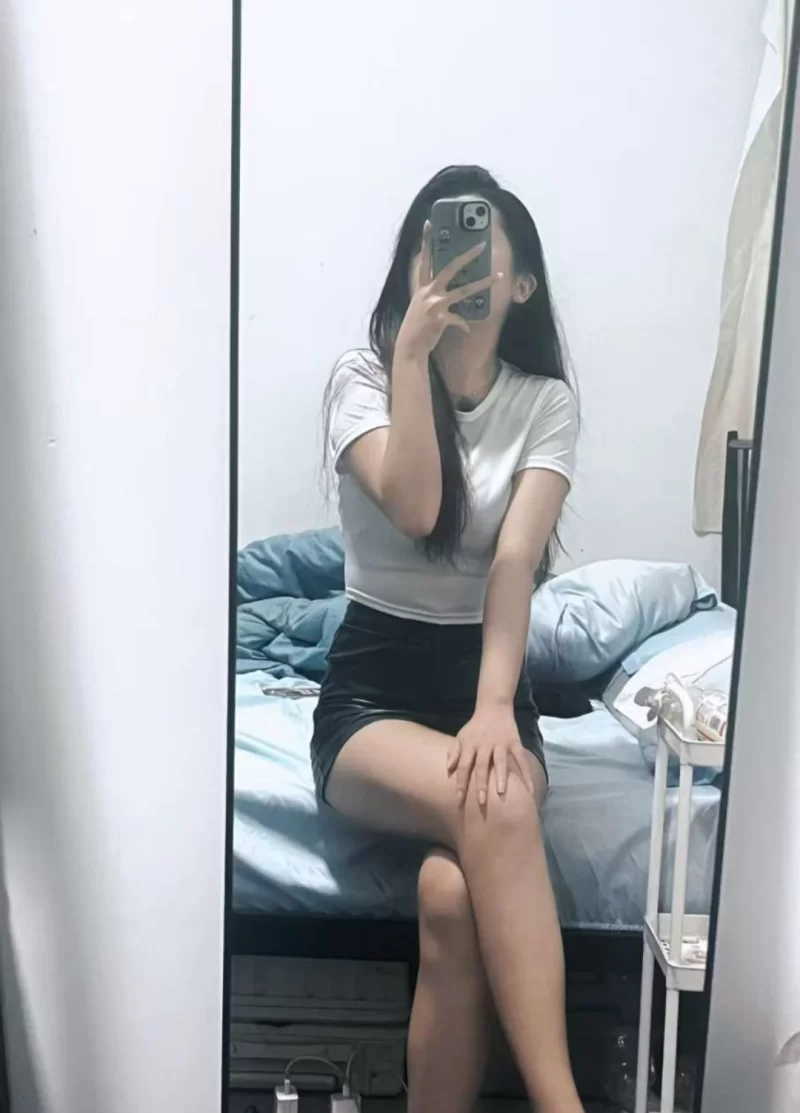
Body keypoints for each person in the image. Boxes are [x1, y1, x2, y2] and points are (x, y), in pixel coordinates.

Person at [312, 165, 582, 1113]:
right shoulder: (362, 378)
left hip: (489, 681)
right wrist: (411, 362)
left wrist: (496, 703)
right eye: (435, 244)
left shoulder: (545, 404)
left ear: (521, 284)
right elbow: (419, 508)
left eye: (477, 244)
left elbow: (514, 561)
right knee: (498, 807)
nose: (453, 261)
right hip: (370, 695)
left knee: (452, 898)